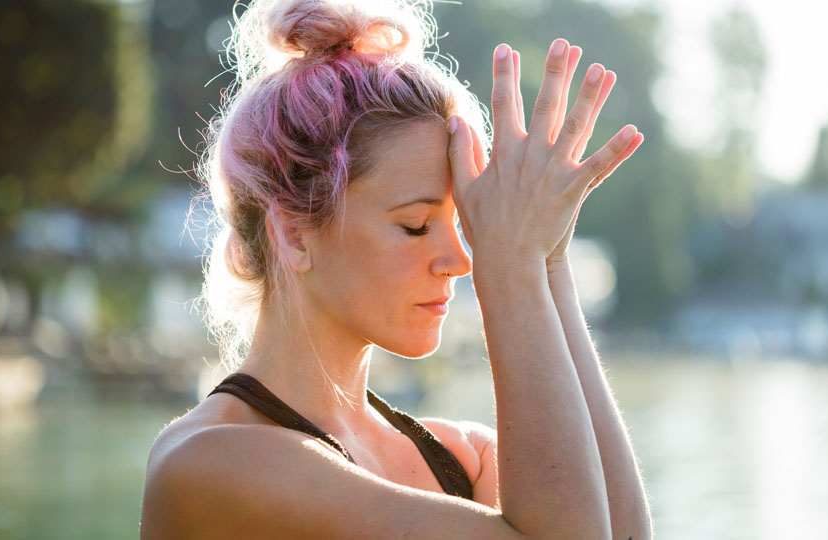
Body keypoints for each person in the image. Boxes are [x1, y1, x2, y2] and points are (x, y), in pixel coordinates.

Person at [140, 0, 652, 538]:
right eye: (416, 225)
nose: (460, 262)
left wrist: (548, 258)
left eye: (465, 226)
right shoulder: (208, 462)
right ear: (294, 235)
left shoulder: (464, 457)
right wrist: (513, 267)